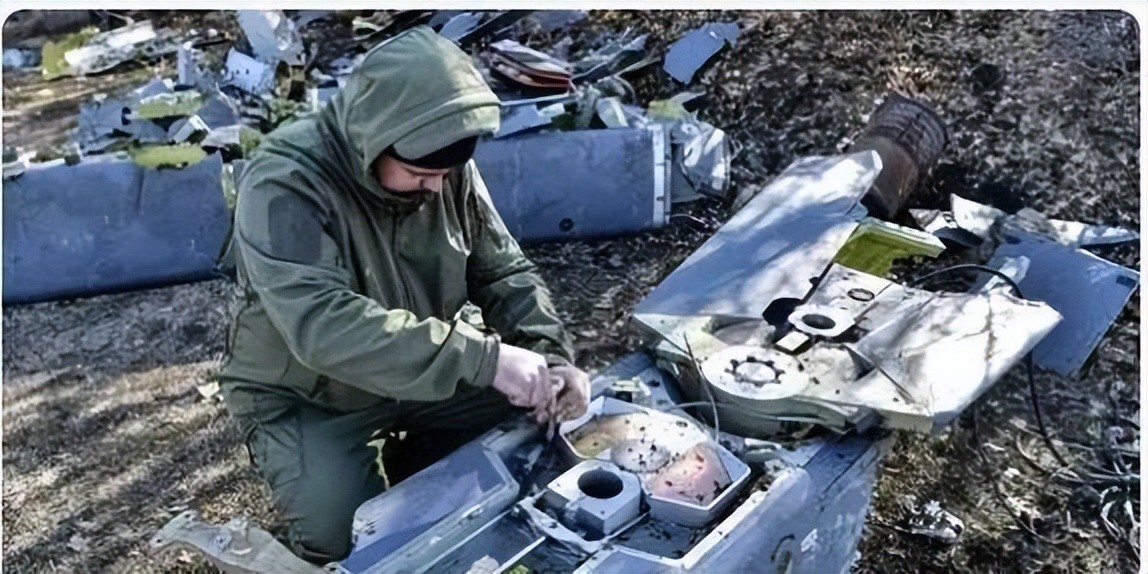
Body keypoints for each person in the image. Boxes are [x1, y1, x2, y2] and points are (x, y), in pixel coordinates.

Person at [217, 26, 590, 563]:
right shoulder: (284, 182)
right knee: (349, 542)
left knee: (532, 438)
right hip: (313, 396)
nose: (436, 188)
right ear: (374, 141)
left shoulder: (439, 161)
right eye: (419, 173)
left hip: (426, 370)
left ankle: (422, 458)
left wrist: (550, 357)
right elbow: (323, 327)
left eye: (445, 173)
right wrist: (484, 359)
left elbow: (503, 272)